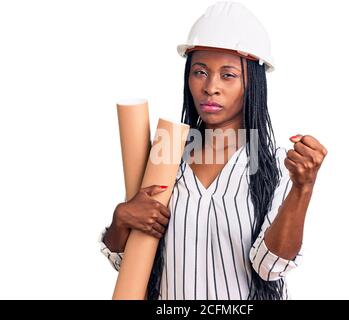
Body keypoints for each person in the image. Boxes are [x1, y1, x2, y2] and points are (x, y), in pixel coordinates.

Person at [100, 1, 327, 300]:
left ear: (252, 84)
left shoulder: (274, 165)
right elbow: (129, 263)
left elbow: (270, 267)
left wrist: (303, 187)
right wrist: (121, 219)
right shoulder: (165, 155)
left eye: (228, 75)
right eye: (200, 72)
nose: (210, 87)